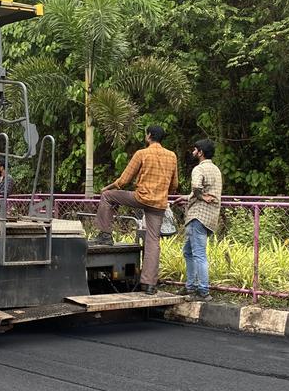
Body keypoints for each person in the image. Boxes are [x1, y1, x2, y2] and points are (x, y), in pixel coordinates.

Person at [93, 125, 179, 295]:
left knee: (108, 197)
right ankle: (149, 285)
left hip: (140, 197)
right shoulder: (172, 156)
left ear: (149, 136)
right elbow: (174, 185)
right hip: (159, 203)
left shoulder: (142, 153)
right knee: (153, 241)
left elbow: (123, 180)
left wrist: (106, 188)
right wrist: (162, 193)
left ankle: (105, 235)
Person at [175, 139, 222, 301]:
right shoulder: (216, 170)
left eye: (195, 150)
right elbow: (204, 191)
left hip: (197, 216)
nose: (193, 152)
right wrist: (188, 197)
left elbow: (196, 187)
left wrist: (199, 196)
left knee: (199, 254)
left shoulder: (199, 169)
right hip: (210, 216)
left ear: (200, 152)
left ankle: (203, 290)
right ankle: (190, 286)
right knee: (188, 251)